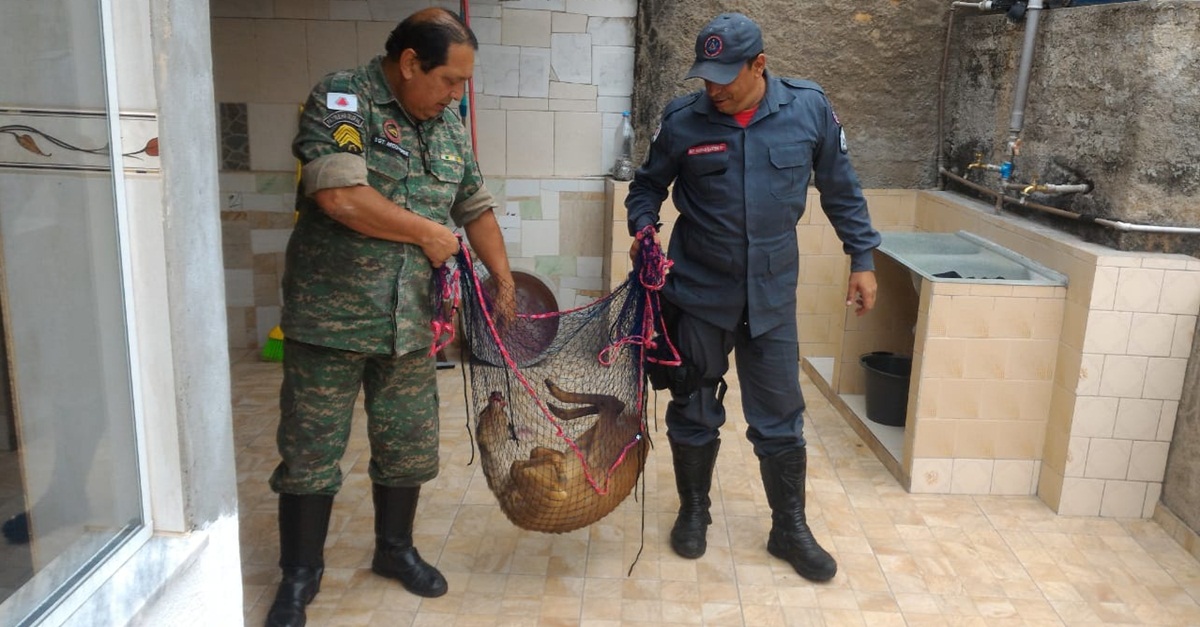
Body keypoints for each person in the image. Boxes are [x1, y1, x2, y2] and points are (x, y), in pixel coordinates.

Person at [265, 8, 515, 626]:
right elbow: (340, 194)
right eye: (450, 81)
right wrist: (430, 235)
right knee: (310, 450)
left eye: (464, 84)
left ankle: (394, 551)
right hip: (332, 319)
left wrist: (503, 280)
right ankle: (300, 576)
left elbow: (475, 205)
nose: (458, 95)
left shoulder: (449, 125)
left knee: (407, 447)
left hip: (411, 326)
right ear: (409, 63)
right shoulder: (344, 100)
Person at [626, 12, 880, 583]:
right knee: (692, 409)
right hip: (696, 293)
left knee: (780, 419)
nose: (713, 89)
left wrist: (861, 257)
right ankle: (694, 511)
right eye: (705, 77)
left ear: (759, 64)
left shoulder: (807, 109)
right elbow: (646, 187)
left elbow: (842, 187)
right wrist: (644, 228)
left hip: (769, 298)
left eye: (725, 77)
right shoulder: (683, 121)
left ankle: (788, 528)